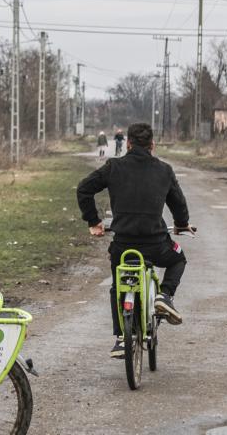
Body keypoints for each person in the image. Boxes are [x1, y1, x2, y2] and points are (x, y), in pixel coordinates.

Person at [75, 122, 190, 358]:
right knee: (178, 258)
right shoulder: (164, 170)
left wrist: (94, 221)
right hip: (156, 244)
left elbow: (84, 189)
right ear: (153, 145)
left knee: (118, 284)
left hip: (123, 246)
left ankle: (120, 337)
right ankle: (165, 296)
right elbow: (178, 203)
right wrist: (181, 224)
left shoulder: (114, 167)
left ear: (127, 143)